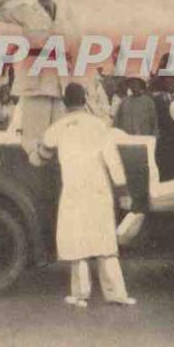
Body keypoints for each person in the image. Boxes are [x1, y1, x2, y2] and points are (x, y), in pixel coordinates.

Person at [41, 82, 135, 308]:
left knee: (77, 242)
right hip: (99, 189)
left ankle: (80, 295)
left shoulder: (60, 126)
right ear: (84, 100)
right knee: (105, 241)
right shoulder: (99, 125)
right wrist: (123, 191)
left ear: (65, 103)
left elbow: (44, 144)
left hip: (74, 190)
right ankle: (117, 294)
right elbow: (113, 160)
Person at [0, 0, 79, 161]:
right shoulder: (26, 12)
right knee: (35, 142)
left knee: (61, 141)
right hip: (36, 84)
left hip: (60, 84)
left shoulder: (65, 13)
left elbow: (73, 44)